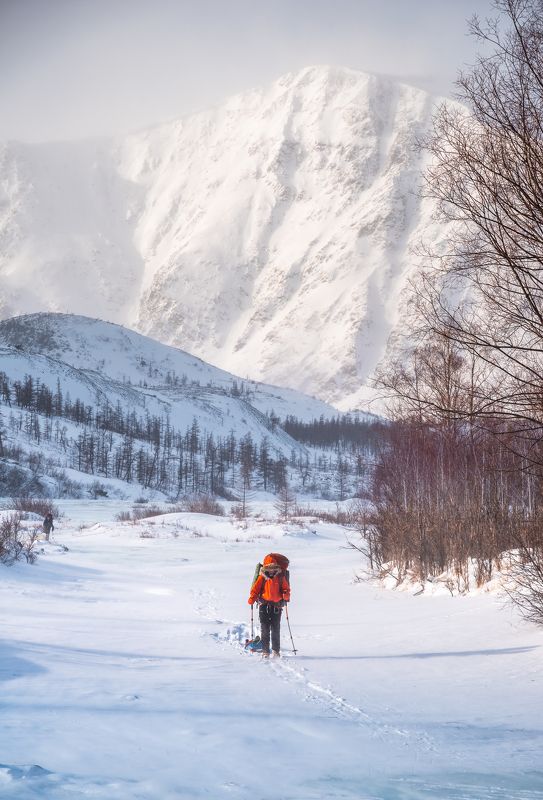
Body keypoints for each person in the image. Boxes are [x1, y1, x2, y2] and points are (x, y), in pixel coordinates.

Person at [248, 555, 290, 658]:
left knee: (276, 629)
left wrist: (286, 595)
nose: (271, 570)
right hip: (264, 605)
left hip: (277, 606)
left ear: (276, 567)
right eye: (269, 567)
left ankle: (276, 650)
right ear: (265, 567)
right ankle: (265, 651)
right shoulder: (262, 578)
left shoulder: (280, 577)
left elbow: (286, 589)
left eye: (273, 567)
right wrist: (252, 598)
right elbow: (255, 589)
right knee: (265, 629)